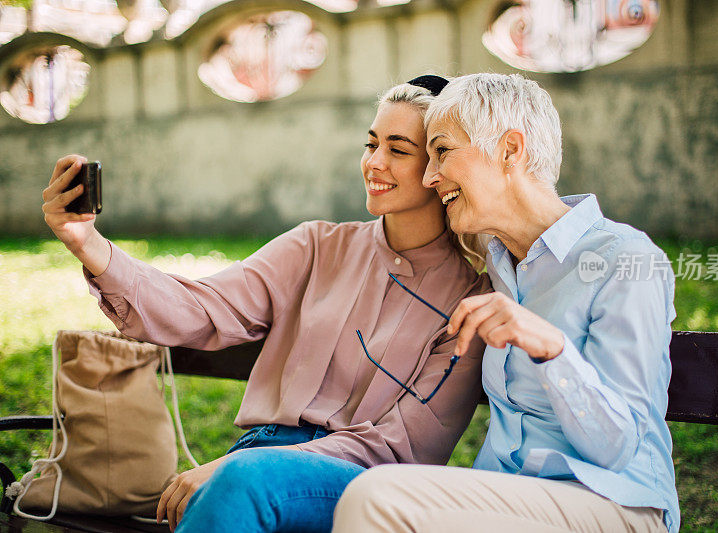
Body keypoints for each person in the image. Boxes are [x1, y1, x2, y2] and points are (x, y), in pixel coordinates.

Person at [41, 78, 490, 533]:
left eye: (398, 149)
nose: (374, 162)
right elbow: (205, 308)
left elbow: (405, 445)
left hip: (364, 484)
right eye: (371, 143)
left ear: (438, 167)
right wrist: (89, 244)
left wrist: (252, 467)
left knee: (242, 481)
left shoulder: (471, 297)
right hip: (256, 462)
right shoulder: (317, 246)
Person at [332, 73, 679, 533]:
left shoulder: (626, 260)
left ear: (510, 151)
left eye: (442, 151)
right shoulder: (495, 264)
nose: (430, 175)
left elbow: (617, 447)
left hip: (613, 504)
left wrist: (551, 349)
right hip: (509, 496)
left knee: (376, 498)